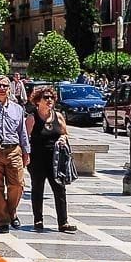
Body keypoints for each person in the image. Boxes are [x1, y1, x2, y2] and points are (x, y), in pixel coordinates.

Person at [0, 74, 31, 233]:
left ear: (10, 88)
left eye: (5, 86)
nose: (2, 89)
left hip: (13, 150)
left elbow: (22, 131)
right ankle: (3, 221)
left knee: (17, 184)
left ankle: (12, 211)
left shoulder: (17, 109)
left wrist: (26, 152)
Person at [26, 86, 76, 233]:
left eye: (51, 98)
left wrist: (62, 138)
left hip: (55, 159)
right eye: (45, 98)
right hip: (37, 159)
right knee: (37, 189)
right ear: (37, 101)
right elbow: (26, 138)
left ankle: (63, 222)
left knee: (59, 188)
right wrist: (26, 156)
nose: (49, 100)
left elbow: (65, 133)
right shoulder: (32, 117)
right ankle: (38, 219)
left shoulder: (58, 116)